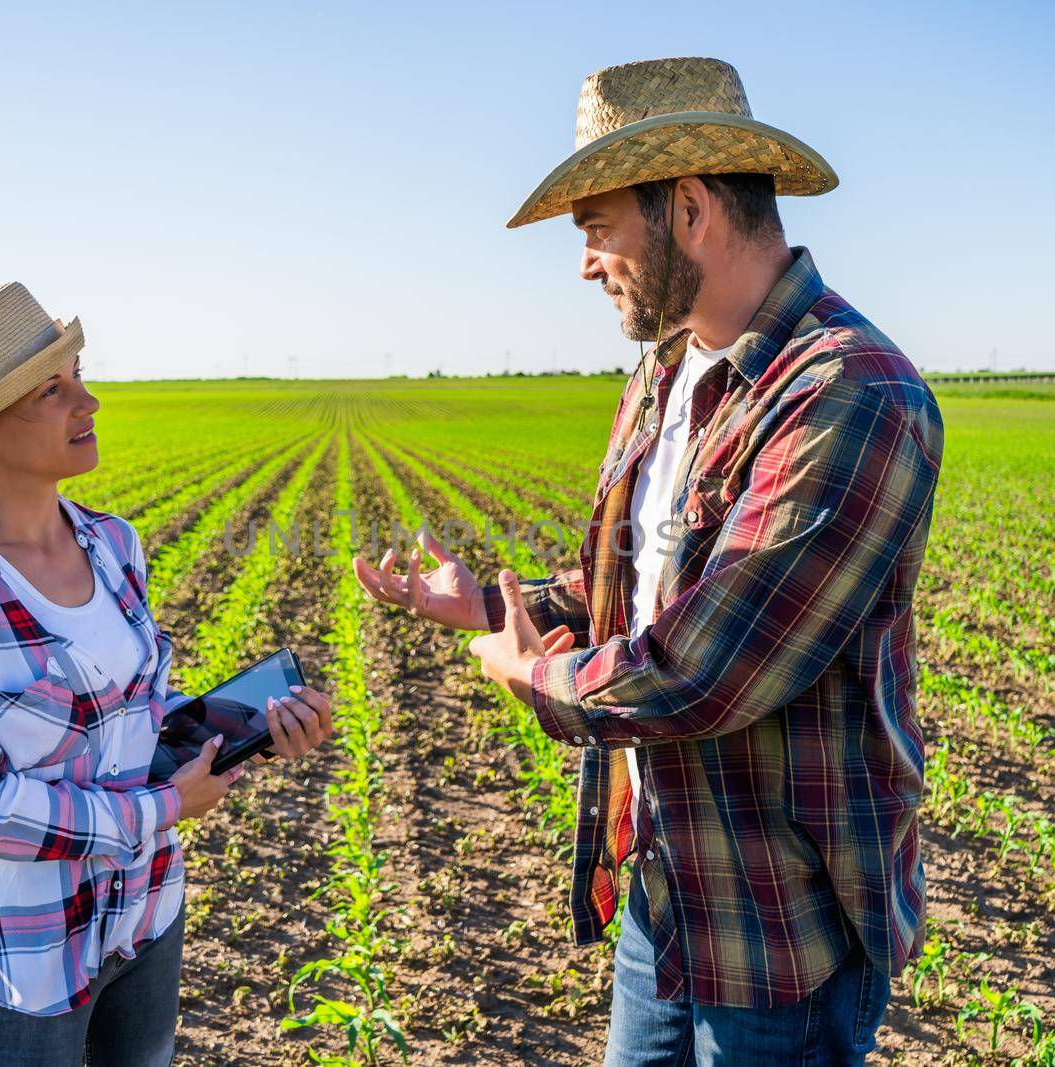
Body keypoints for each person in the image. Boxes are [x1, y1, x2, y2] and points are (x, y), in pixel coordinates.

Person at [354, 57, 943, 1064]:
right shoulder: (665, 373)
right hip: (665, 889)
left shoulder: (848, 395)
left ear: (686, 208)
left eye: (596, 230)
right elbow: (636, 588)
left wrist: (525, 671)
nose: (586, 263)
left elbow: (703, 667)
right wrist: (496, 605)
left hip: (780, 933)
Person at [0, 282, 335, 1065]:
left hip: (147, 907)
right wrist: (160, 807)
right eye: (53, 389)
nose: (90, 400)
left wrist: (238, 725)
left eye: (78, 373)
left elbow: (130, 717)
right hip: (29, 945)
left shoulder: (113, 542)